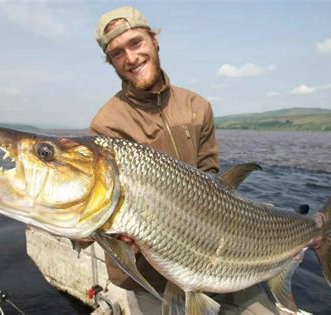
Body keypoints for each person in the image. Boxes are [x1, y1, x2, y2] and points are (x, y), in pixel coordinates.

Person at [86, 6, 279, 315]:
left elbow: (211, 176)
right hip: (153, 276)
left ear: (154, 40)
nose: (131, 57)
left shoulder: (197, 106)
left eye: (136, 43)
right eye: (118, 53)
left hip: (222, 254)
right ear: (111, 62)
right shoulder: (106, 125)